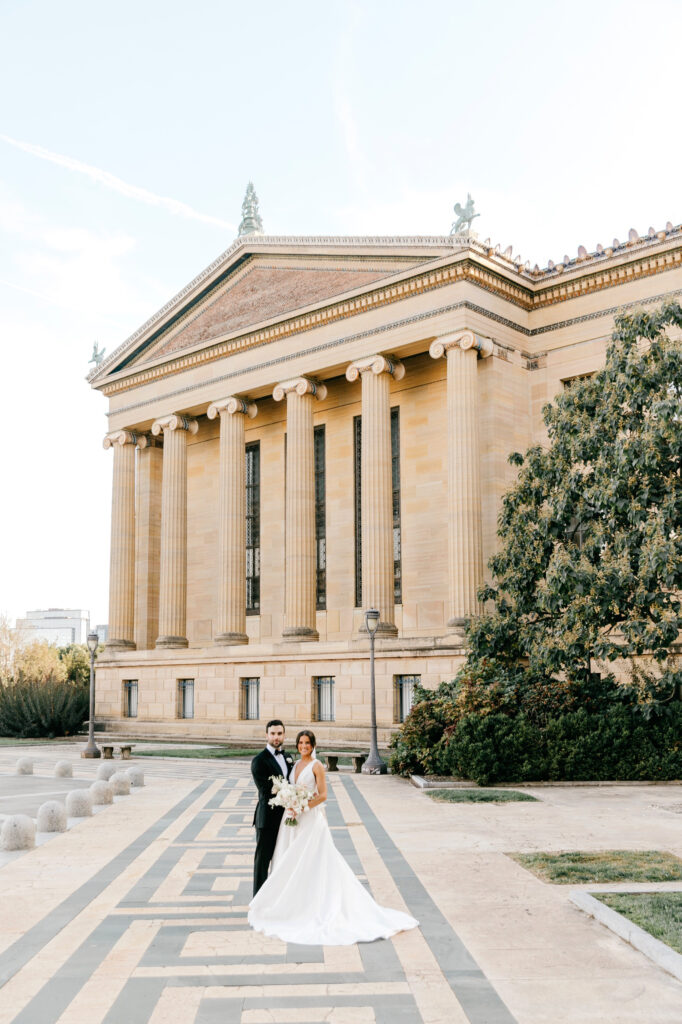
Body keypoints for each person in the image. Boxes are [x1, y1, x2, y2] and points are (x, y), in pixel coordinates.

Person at [248, 729, 419, 945]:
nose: (303, 746)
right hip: (291, 821)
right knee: (290, 860)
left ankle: (315, 904)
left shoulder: (317, 766)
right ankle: (287, 901)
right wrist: (290, 803)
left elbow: (323, 795)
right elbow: (287, 786)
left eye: (307, 743)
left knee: (313, 861)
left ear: (313, 745)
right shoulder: (294, 764)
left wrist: (302, 806)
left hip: (309, 819)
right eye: (300, 743)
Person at [251, 719, 294, 896]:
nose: (276, 737)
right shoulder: (259, 761)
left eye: (279, 733)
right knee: (262, 862)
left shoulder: (287, 757)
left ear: (284, 735)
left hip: (286, 818)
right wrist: (291, 795)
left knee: (282, 859)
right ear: (267, 735)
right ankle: (258, 899)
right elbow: (266, 791)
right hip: (267, 819)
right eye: (273, 734)